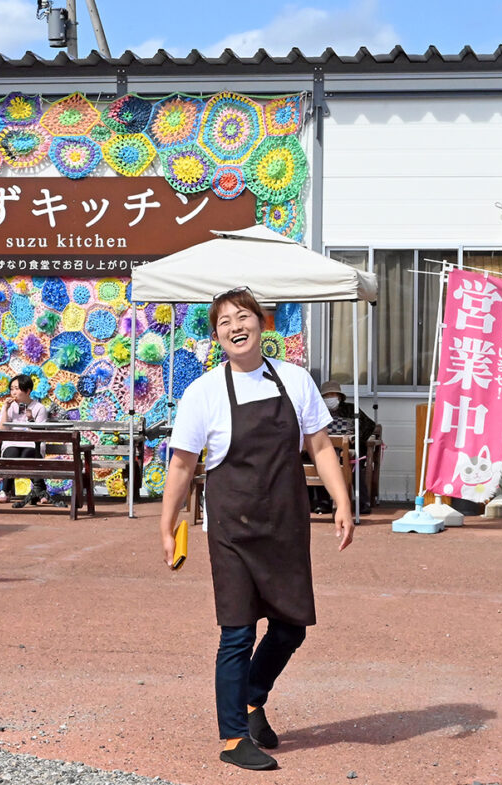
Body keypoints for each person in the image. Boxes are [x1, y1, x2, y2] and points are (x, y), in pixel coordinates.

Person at [159, 286, 355, 772]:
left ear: (262, 324)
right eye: (224, 322)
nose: (235, 327)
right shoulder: (203, 391)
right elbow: (182, 464)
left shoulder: (294, 380)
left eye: (242, 316)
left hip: (286, 524)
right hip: (231, 529)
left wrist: (341, 500)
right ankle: (232, 737)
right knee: (237, 633)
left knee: (291, 627)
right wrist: (168, 525)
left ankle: (251, 698)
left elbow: (321, 446)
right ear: (216, 335)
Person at [309, 381, 374, 515]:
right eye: (327, 395)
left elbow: (369, 425)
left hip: (347, 450)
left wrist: (356, 439)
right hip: (324, 449)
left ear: (339, 396)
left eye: (333, 394)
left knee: (354, 463)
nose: (330, 397)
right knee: (315, 461)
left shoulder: (351, 409)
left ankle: (362, 503)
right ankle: (323, 502)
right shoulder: (316, 411)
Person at [0, 374, 53, 508]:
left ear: (27, 391)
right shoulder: (10, 407)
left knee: (27, 455)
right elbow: (2, 430)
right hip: (12, 442)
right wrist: (5, 408)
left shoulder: (39, 408)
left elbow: (40, 433)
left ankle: (40, 492)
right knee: (11, 455)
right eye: (12, 389)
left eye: (17, 388)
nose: (14, 392)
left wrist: (31, 420)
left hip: (33, 444)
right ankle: (6, 490)